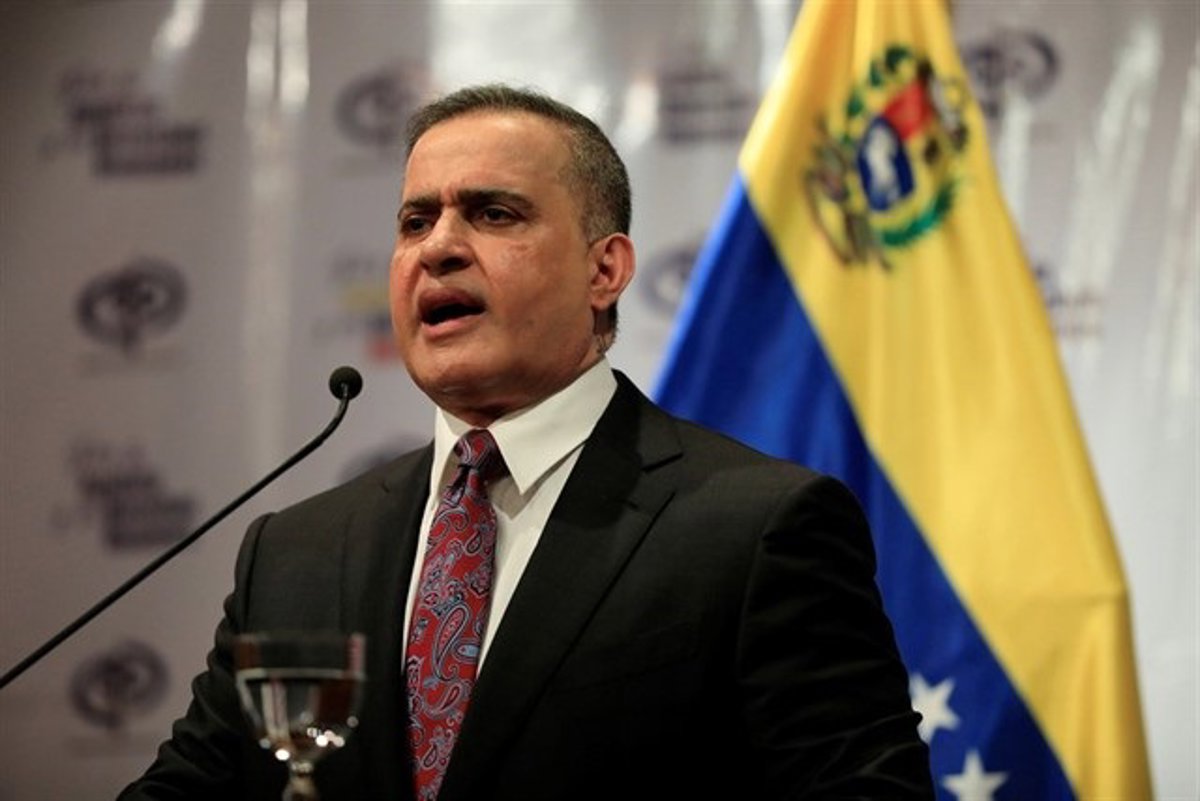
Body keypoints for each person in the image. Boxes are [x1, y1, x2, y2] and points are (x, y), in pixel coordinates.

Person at [120, 84, 933, 800]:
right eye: (415, 220)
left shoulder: (757, 529)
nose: (438, 246)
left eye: (493, 213)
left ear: (604, 271)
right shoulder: (293, 553)